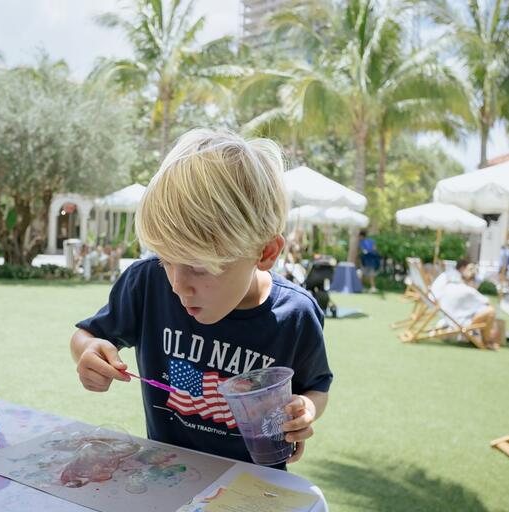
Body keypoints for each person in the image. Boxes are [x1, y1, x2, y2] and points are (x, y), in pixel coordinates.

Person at [70, 129, 332, 467]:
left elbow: (316, 387)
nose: (179, 285)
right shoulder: (147, 282)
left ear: (265, 252)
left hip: (254, 486)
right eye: (166, 259)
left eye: (200, 267)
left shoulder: (295, 315)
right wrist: (87, 351)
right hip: (168, 474)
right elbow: (87, 335)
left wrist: (306, 409)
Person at [431, 259, 499, 350]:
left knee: (482, 310)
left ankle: (481, 337)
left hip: (446, 318)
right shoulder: (469, 291)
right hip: (457, 323)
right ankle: (487, 342)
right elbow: (488, 304)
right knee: (491, 312)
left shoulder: (451, 285)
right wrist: (494, 325)